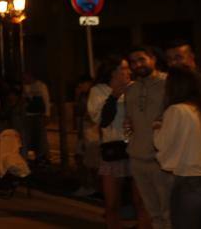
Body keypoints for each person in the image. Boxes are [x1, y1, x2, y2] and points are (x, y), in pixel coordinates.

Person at [88, 55, 151, 229]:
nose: (128, 71)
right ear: (113, 71)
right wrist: (115, 94)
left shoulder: (137, 88)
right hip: (113, 149)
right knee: (112, 203)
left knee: (141, 201)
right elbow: (103, 120)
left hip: (137, 149)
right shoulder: (99, 91)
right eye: (124, 68)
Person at [125, 46, 173, 229]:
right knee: (153, 213)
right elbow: (131, 121)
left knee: (168, 212)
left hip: (160, 160)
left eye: (142, 59)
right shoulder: (131, 89)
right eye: (133, 62)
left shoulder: (168, 84)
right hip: (137, 159)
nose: (138, 65)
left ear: (153, 58)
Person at [154, 67, 201, 229]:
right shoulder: (200, 108)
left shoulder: (177, 110)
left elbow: (163, 144)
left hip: (190, 181)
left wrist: (156, 128)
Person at [73, 75, 100, 197]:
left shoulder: (94, 96)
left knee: (92, 163)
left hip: (92, 134)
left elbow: (92, 117)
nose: (80, 87)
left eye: (82, 84)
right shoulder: (82, 97)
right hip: (84, 133)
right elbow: (78, 114)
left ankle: (94, 187)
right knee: (80, 159)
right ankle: (87, 186)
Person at [22, 71, 50, 163]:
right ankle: (33, 155)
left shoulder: (41, 85)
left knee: (40, 136)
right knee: (29, 136)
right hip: (28, 115)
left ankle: (41, 155)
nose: (25, 79)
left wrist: (47, 114)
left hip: (38, 115)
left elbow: (46, 100)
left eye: (26, 77)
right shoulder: (24, 87)